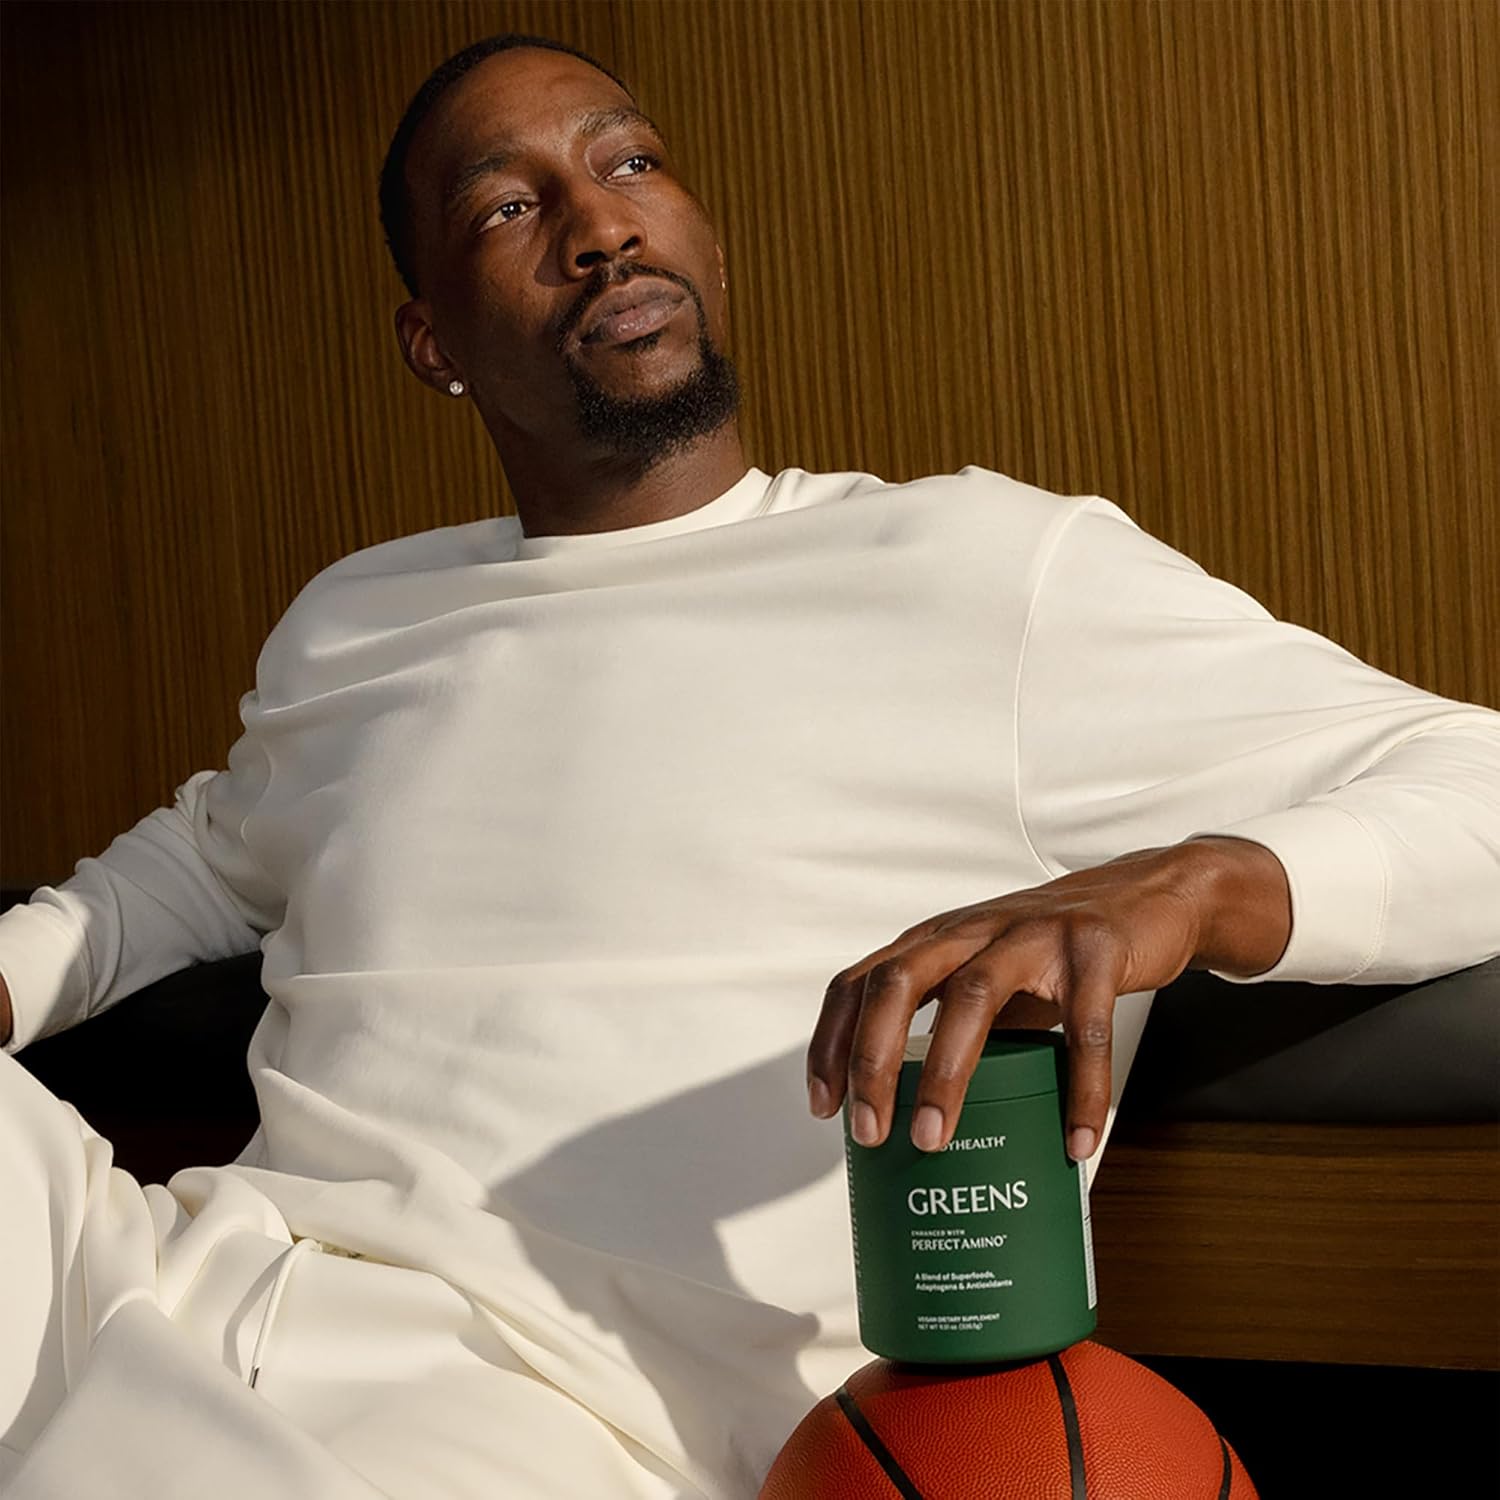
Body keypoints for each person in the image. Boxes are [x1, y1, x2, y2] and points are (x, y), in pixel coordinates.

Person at [1, 30, 1496, 1500]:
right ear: (433, 342)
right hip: (157, 1281)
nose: (599, 225)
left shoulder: (980, 567)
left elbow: (1474, 779)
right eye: (508, 206)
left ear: (706, 243)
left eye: (630, 163)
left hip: (552, 1409)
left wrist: (1196, 884)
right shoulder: (354, 618)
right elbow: (206, 856)